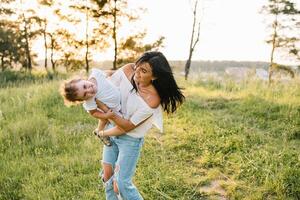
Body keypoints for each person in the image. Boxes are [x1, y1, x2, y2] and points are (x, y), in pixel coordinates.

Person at [91, 51, 185, 200]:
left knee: (121, 183)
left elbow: (127, 127)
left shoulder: (152, 100)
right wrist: (95, 81)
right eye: (138, 66)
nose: (137, 73)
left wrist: (104, 126)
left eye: (144, 71)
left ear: (155, 76)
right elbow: (111, 78)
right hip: (111, 130)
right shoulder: (129, 69)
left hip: (130, 140)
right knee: (107, 177)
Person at [60, 68, 126, 146]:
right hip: (113, 109)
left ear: (82, 79)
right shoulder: (89, 100)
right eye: (85, 95)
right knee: (113, 122)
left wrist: (119, 73)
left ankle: (99, 131)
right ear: (82, 100)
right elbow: (94, 112)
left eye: (84, 86)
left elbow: (108, 72)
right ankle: (103, 134)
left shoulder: (96, 75)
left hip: (119, 95)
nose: (89, 90)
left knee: (104, 120)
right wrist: (106, 115)